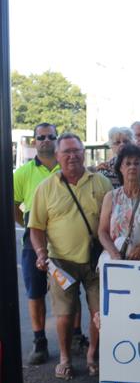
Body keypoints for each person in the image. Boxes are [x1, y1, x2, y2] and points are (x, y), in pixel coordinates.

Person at [28, 133, 113, 379]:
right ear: (57, 156)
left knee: (100, 313)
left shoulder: (101, 183)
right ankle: (65, 358)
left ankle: (92, 355)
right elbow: (36, 228)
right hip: (61, 263)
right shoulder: (45, 188)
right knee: (64, 315)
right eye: (66, 152)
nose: (72, 156)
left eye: (76, 150)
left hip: (96, 261)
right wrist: (41, 253)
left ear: (83, 153)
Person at [14, 123, 61, 364]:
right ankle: (39, 341)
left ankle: (74, 336)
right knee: (35, 291)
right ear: (34, 141)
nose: (45, 140)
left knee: (68, 288)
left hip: (64, 238)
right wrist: (29, 225)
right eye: (40, 137)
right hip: (35, 239)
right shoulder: (22, 173)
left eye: (50, 136)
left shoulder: (67, 165)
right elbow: (13, 202)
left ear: (56, 139)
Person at [98, 144, 140, 261]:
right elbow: (102, 231)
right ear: (120, 168)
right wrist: (114, 254)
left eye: (136, 163)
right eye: (128, 163)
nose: (132, 167)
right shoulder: (111, 197)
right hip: (113, 260)